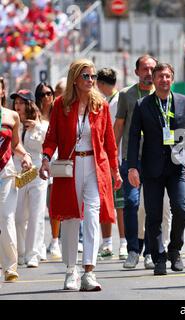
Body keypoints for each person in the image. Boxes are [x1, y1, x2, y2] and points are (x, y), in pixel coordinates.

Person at [39, 59, 122, 291]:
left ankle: (89, 271)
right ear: (74, 79)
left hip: (96, 166)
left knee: (93, 216)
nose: (91, 80)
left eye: (93, 76)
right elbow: (52, 137)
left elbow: (109, 142)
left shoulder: (101, 105)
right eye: (86, 76)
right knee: (71, 217)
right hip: (70, 167)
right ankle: (70, 270)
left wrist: (115, 171)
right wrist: (45, 159)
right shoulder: (61, 105)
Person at [128, 62, 185, 275]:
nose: (164, 80)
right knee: (154, 215)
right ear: (154, 80)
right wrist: (132, 167)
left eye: (167, 76)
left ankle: (174, 250)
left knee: (181, 209)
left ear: (172, 79)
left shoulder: (184, 102)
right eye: (160, 76)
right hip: (151, 168)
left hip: (177, 167)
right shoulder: (142, 104)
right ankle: (158, 257)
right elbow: (132, 139)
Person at [114, 55, 158, 269]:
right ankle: (133, 250)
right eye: (145, 69)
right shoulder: (126, 95)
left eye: (152, 69)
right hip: (131, 159)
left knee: (151, 206)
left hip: (155, 159)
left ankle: (150, 251)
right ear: (137, 72)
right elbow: (119, 126)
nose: (149, 73)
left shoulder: (162, 94)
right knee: (131, 203)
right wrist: (112, 155)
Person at [0, 77, 33, 282]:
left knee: (6, 218)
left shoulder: (12, 116)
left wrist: (26, 156)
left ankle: (10, 267)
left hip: (5, 173)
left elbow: (16, 144)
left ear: (2, 91)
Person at [12, 89, 49, 268]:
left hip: (36, 172)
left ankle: (33, 253)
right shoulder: (11, 123)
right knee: (18, 216)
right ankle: (20, 251)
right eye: (16, 102)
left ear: (29, 104)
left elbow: (49, 146)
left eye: (21, 102)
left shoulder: (42, 125)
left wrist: (38, 127)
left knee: (36, 214)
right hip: (18, 171)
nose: (17, 106)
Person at [96, 67, 127, 260]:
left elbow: (115, 132)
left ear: (100, 83)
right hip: (104, 159)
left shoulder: (117, 101)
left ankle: (122, 243)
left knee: (120, 203)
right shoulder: (103, 101)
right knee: (104, 202)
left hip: (115, 158)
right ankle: (107, 243)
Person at [35, 82, 61, 259]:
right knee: (38, 207)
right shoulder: (34, 116)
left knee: (54, 204)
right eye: (43, 94)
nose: (47, 97)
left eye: (49, 93)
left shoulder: (57, 113)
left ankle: (54, 241)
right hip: (38, 160)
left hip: (57, 161)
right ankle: (39, 243)